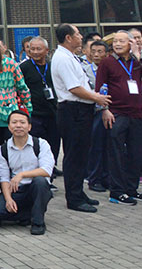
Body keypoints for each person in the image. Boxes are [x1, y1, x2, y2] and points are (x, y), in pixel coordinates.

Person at [52, 23, 109, 213]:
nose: (81, 37)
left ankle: (78, 192)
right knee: (74, 155)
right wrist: (97, 97)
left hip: (81, 109)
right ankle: (74, 198)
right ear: (68, 37)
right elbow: (74, 88)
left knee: (81, 153)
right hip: (73, 110)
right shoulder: (62, 58)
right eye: (77, 34)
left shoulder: (71, 56)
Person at [95, 30, 142, 205]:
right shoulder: (107, 62)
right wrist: (104, 109)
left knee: (136, 152)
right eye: (115, 41)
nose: (117, 44)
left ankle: (131, 188)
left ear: (131, 43)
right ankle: (117, 191)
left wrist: (138, 55)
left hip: (136, 113)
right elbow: (100, 87)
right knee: (116, 153)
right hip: (116, 113)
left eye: (122, 41)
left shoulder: (137, 62)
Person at [0, 110, 55, 235]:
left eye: (22, 122)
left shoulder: (41, 144)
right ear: (9, 127)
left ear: (29, 126)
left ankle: (38, 223)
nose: (18, 125)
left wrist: (22, 175)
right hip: (17, 189)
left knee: (40, 181)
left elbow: (46, 170)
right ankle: (28, 214)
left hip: (36, 188)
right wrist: (8, 199)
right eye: (14, 122)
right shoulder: (3, 149)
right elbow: (4, 178)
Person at [19, 36, 60, 175]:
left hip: (52, 112)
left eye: (39, 49)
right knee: (37, 144)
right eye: (32, 49)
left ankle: (51, 168)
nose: (35, 52)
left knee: (54, 142)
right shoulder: (24, 67)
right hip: (34, 114)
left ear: (47, 50)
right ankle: (38, 172)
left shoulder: (53, 66)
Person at [86, 39, 111, 193]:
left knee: (108, 146)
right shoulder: (85, 70)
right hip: (94, 112)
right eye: (93, 51)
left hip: (110, 111)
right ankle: (94, 179)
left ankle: (107, 177)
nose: (96, 55)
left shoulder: (111, 68)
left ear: (106, 53)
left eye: (100, 52)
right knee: (96, 145)